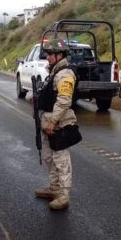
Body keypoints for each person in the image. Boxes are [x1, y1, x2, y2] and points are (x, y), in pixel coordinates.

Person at [34, 39, 78, 210]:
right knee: (49, 157)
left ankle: (64, 195)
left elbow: (64, 100)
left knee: (61, 159)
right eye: (48, 54)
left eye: (51, 54)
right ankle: (53, 188)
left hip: (58, 123)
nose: (48, 57)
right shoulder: (54, 71)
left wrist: (52, 121)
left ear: (60, 55)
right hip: (48, 121)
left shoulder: (65, 74)